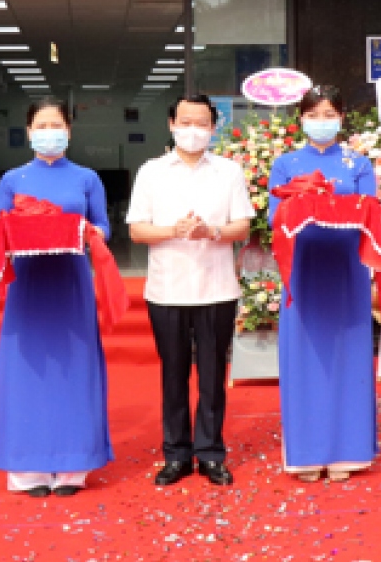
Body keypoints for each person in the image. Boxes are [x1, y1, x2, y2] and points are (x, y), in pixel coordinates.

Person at [128, 95, 256, 488]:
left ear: (213, 127)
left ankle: (211, 453)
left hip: (217, 288)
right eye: (185, 122)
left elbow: (243, 226)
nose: (193, 130)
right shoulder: (151, 172)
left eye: (201, 123)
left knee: (213, 375)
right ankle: (177, 454)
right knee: (173, 374)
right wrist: (174, 230)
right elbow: (137, 229)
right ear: (171, 124)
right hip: (167, 289)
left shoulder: (228, 171)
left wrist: (211, 231)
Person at [0, 98, 113, 496]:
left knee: (74, 367)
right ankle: (27, 468)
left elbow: (103, 226)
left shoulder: (86, 178)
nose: (49, 132)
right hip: (27, 284)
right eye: (41, 126)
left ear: (69, 131)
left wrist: (87, 232)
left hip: (70, 281)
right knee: (27, 370)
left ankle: (73, 465)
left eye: (56, 125)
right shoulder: (12, 179)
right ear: (28, 132)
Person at [267, 86, 378, 482]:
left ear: (341, 117)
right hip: (303, 269)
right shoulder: (285, 164)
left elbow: (370, 212)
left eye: (329, 114)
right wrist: (305, 203)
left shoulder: (358, 164)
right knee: (305, 357)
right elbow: (275, 217)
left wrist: (328, 205)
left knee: (349, 355)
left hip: (347, 269)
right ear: (301, 119)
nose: (321, 121)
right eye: (313, 114)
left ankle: (349, 450)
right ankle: (307, 452)